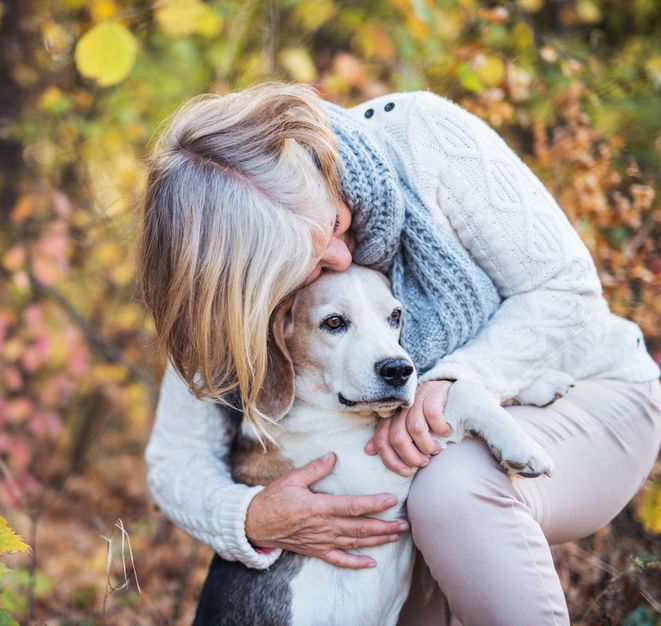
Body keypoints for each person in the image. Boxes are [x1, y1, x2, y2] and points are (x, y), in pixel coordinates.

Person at [136, 81, 661, 625]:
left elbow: (566, 287)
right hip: (397, 472)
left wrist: (456, 382)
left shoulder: (422, 136)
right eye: (302, 265)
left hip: (590, 394)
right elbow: (177, 462)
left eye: (335, 225)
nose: (341, 258)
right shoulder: (232, 295)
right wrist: (248, 517)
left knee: (447, 488)